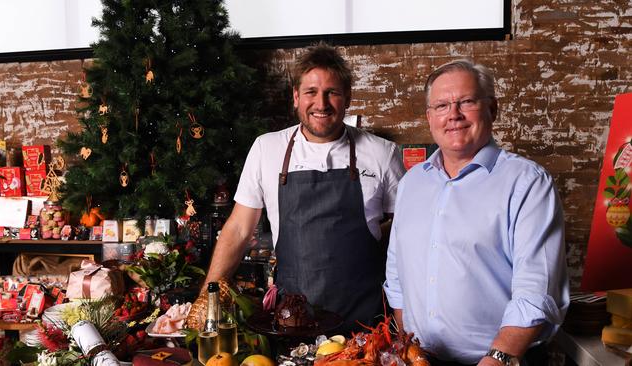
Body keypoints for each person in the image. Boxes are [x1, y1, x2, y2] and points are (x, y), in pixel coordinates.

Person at [203, 43, 405, 332]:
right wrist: (207, 295)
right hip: (291, 323)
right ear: (296, 97)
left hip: (365, 323)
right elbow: (238, 229)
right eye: (311, 92)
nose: (321, 104)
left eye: (332, 93)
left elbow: (406, 232)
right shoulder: (266, 148)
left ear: (347, 98)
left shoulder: (382, 153)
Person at [384, 59, 569, 366]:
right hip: (422, 358)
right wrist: (408, 345)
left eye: (466, 102)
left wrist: (498, 357)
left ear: (492, 109)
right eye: (442, 105)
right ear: (430, 117)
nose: (453, 115)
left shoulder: (527, 184)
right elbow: (397, 272)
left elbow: (537, 288)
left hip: (502, 360)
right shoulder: (412, 183)